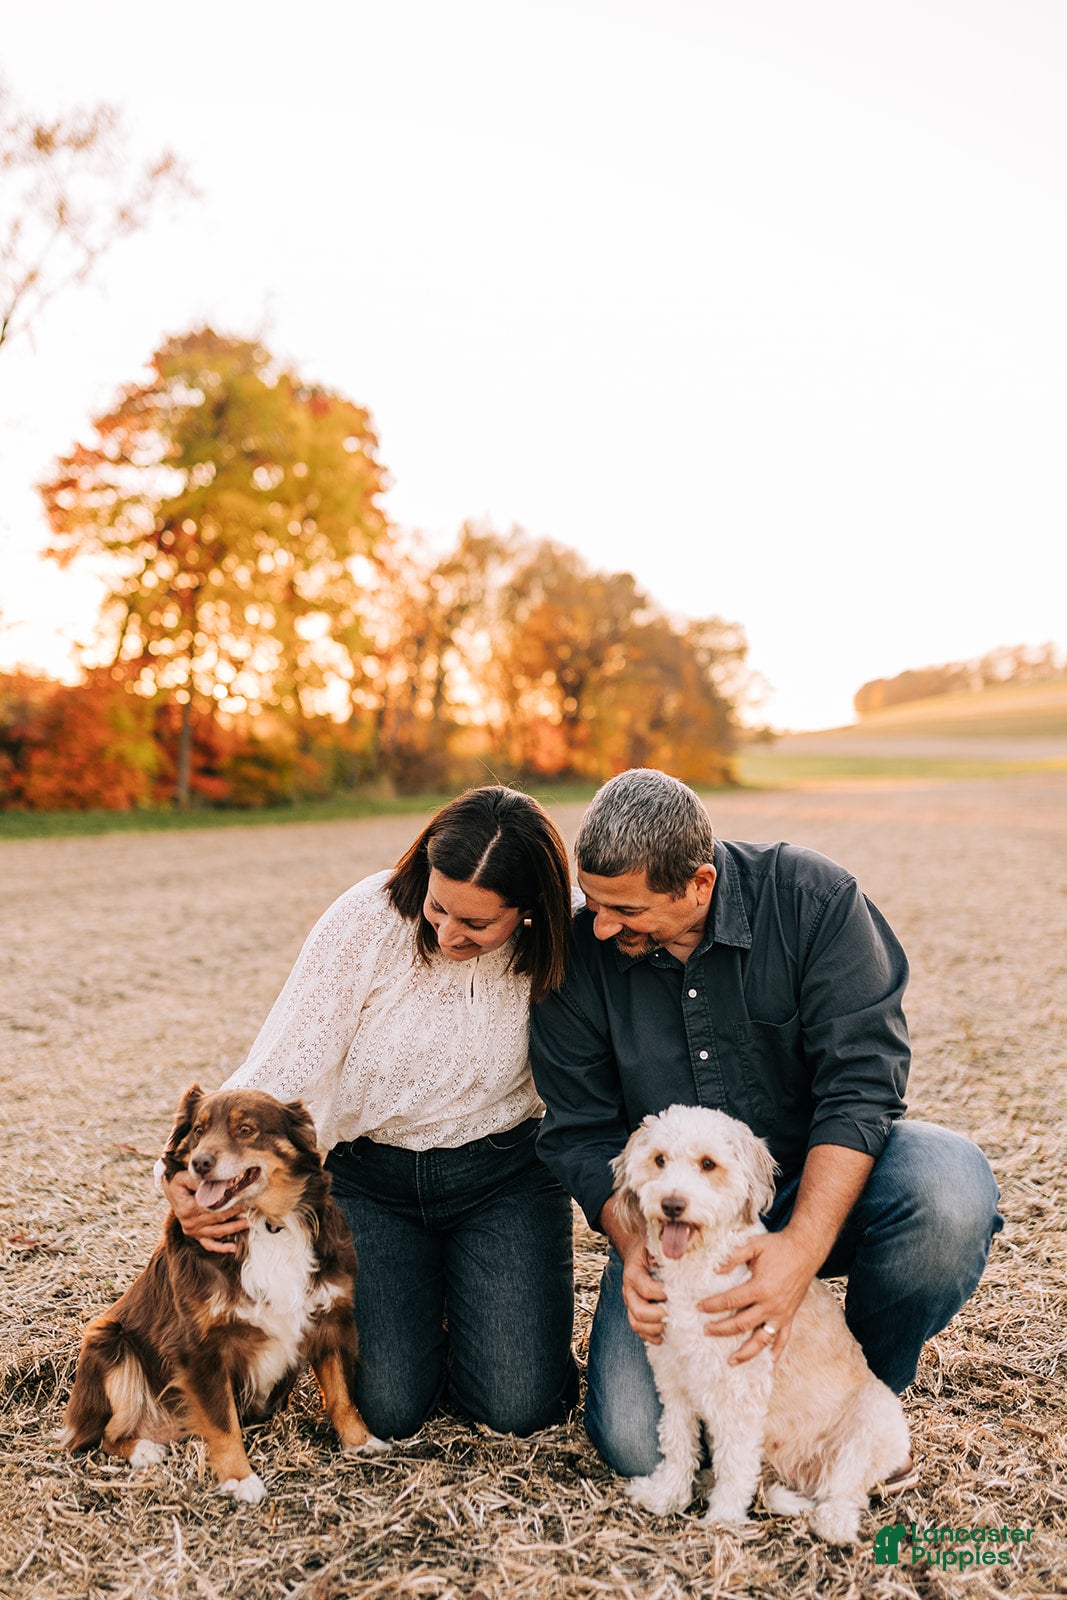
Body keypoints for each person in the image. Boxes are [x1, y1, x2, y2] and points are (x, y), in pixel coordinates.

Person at [529, 767, 1003, 1480]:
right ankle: (744, 1407)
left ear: (698, 883)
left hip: (824, 1180)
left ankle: (853, 1400)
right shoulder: (577, 956)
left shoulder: (812, 901)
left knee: (948, 1188)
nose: (600, 925)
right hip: (678, 1229)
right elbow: (580, 1134)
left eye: (623, 909)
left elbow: (861, 1087)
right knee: (633, 1443)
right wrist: (635, 1249)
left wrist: (798, 1252)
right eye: (592, 902)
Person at [164, 785, 579, 1440]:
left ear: (530, 912)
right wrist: (188, 1178)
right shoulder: (368, 918)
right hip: (370, 1183)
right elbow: (279, 1067)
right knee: (386, 1408)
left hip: (505, 1181)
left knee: (520, 1409)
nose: (447, 932)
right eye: (438, 907)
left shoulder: (566, 938)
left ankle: (469, 1304)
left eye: (476, 924)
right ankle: (430, 1308)